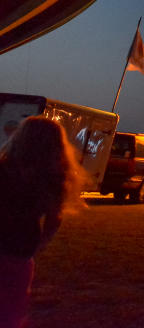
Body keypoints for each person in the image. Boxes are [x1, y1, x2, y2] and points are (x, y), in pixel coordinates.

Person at [0, 117, 87, 328]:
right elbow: (53, 220)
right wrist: (39, 244)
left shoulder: (3, 169)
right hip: (20, 251)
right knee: (10, 311)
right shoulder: (53, 178)